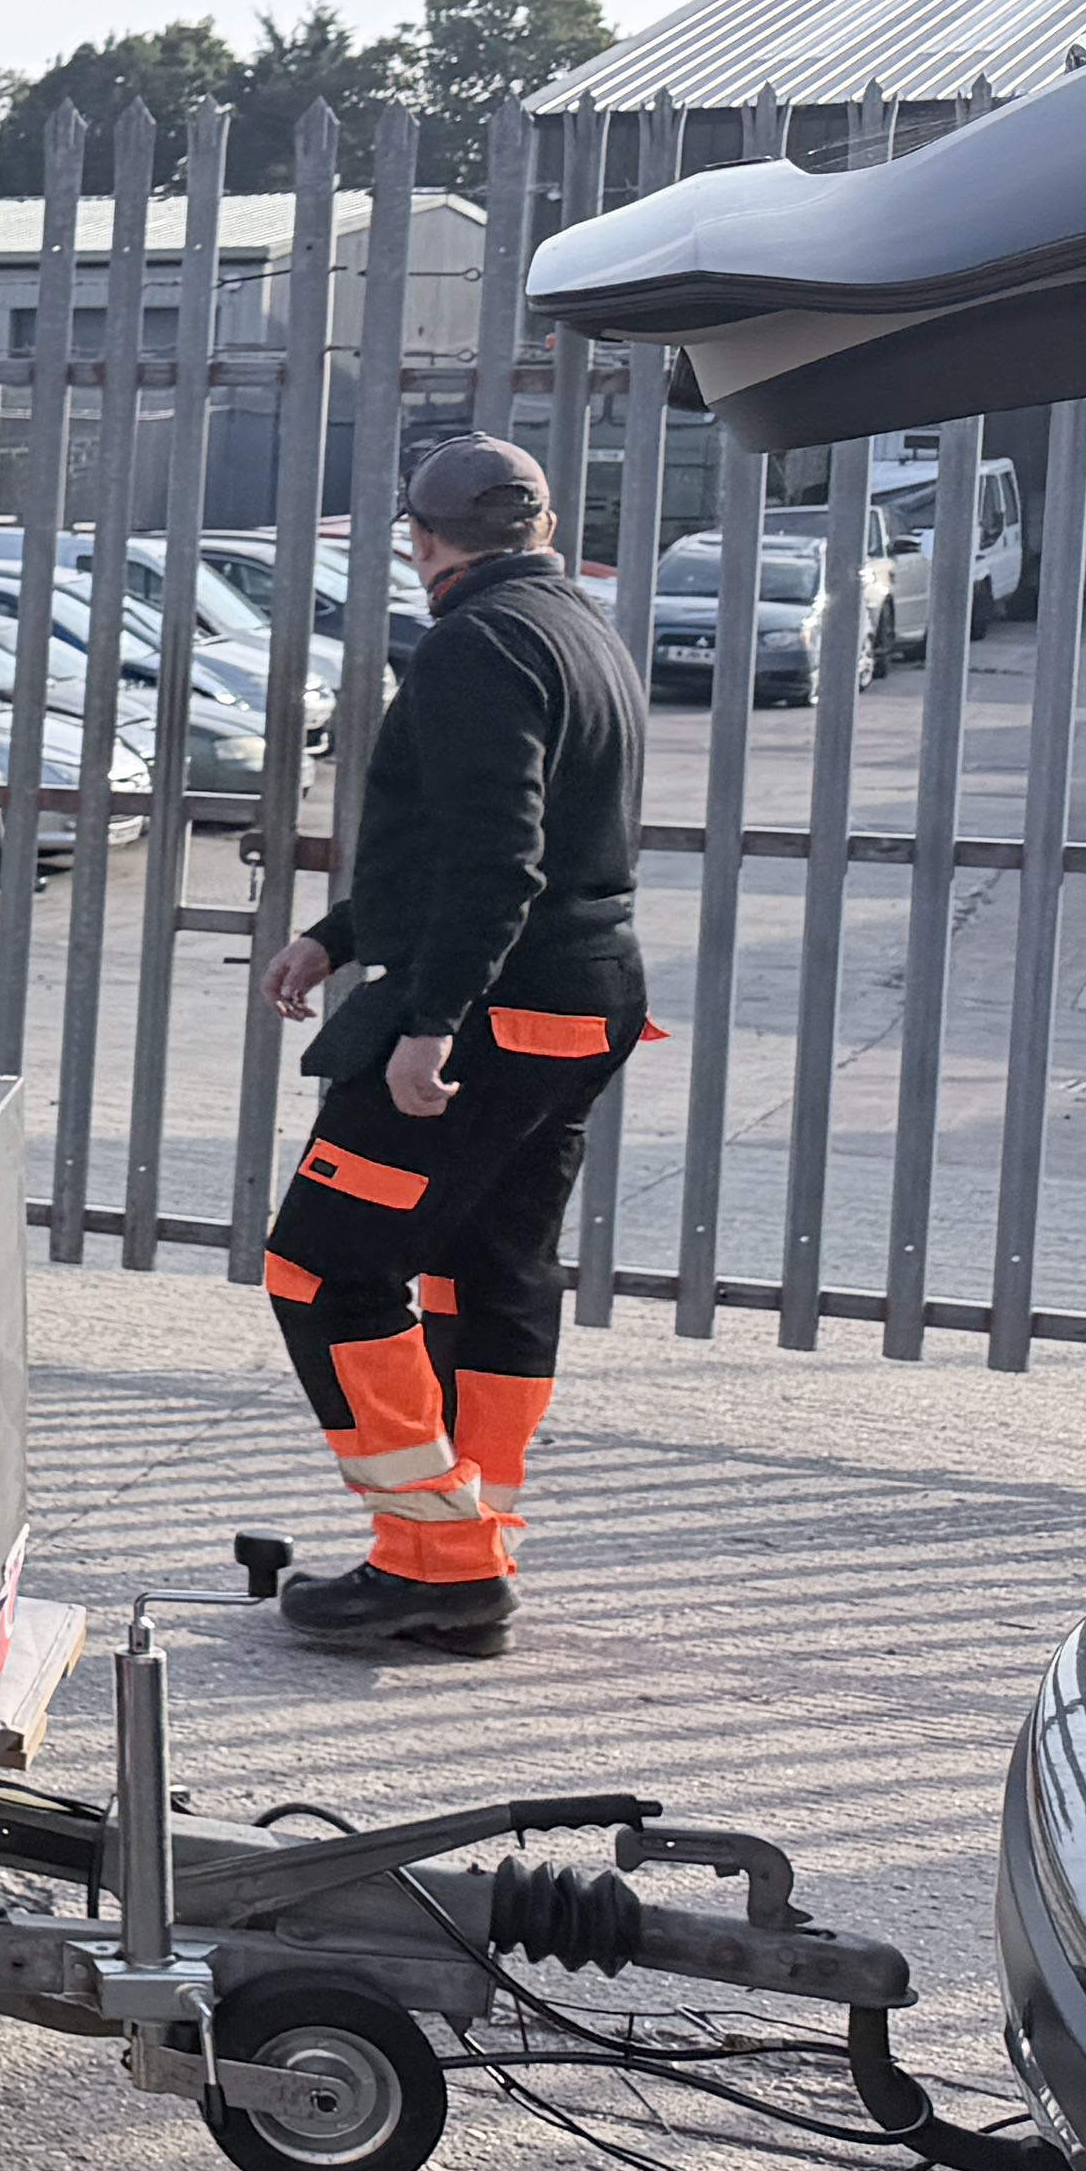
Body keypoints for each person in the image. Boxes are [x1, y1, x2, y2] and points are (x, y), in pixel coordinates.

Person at [251, 428, 649, 1656]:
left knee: (322, 1268)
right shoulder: (579, 627)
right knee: (488, 1270)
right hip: (582, 998)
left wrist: (431, 1024)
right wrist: (340, 934)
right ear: (542, 528)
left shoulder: (475, 644)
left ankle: (435, 1559)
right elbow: (494, 843)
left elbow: (497, 857)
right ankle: (474, 1549)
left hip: (491, 1015)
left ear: (421, 541)